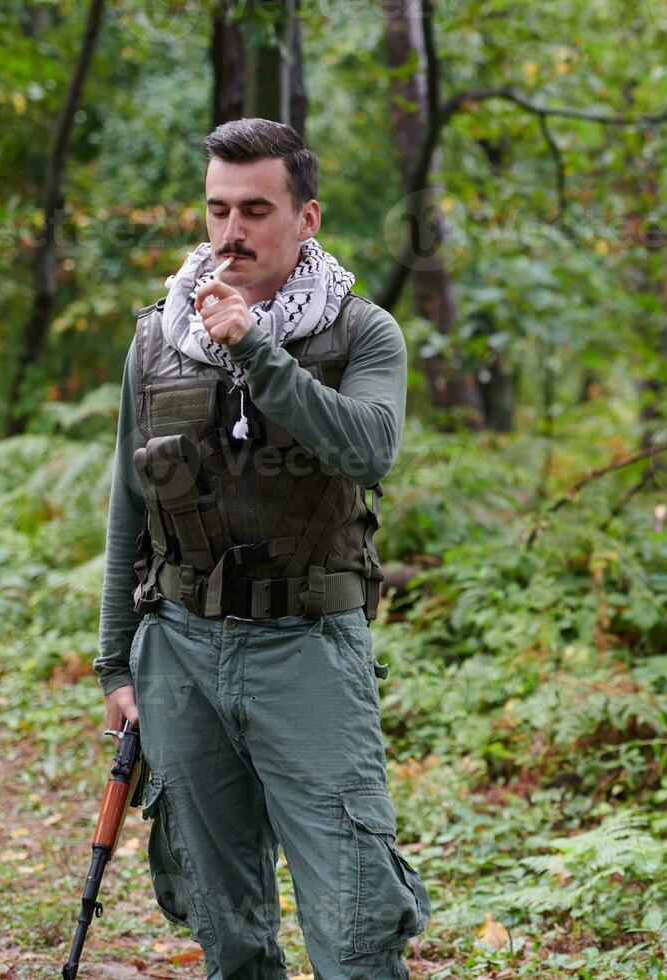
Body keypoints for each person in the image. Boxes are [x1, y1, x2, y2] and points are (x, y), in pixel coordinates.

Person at [92, 117, 430, 979]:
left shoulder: (362, 332)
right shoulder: (157, 338)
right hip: (179, 650)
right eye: (216, 211)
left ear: (306, 218)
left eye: (254, 210)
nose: (230, 233)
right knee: (224, 924)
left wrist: (260, 349)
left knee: (355, 922)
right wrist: (113, 666)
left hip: (308, 649)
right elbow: (130, 501)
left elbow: (369, 448)